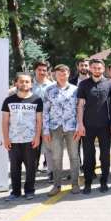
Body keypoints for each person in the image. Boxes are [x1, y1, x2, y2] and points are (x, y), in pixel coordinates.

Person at [1, 73, 43, 201]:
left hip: (30, 140)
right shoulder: (8, 100)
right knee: (14, 167)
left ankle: (29, 190)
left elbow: (39, 121)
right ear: (16, 83)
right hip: (13, 140)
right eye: (21, 81)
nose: (24, 84)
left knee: (31, 167)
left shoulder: (37, 100)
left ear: (31, 84)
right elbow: (4, 121)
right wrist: (6, 138)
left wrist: (37, 137)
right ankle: (15, 192)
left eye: (27, 82)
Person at [75, 59, 111, 194]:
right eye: (94, 68)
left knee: (105, 155)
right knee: (88, 155)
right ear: (90, 69)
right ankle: (88, 182)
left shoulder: (109, 84)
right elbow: (80, 105)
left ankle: (104, 181)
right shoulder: (84, 84)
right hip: (88, 126)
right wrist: (80, 124)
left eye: (99, 68)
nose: (97, 70)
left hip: (105, 126)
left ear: (103, 69)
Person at [42, 64, 81, 195]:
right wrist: (46, 130)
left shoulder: (76, 90)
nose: (62, 75)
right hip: (55, 128)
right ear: (54, 75)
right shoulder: (49, 90)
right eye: (59, 73)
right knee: (56, 157)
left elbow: (79, 110)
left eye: (64, 72)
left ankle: (75, 184)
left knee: (74, 156)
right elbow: (45, 111)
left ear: (68, 74)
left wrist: (78, 127)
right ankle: (56, 185)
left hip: (71, 128)